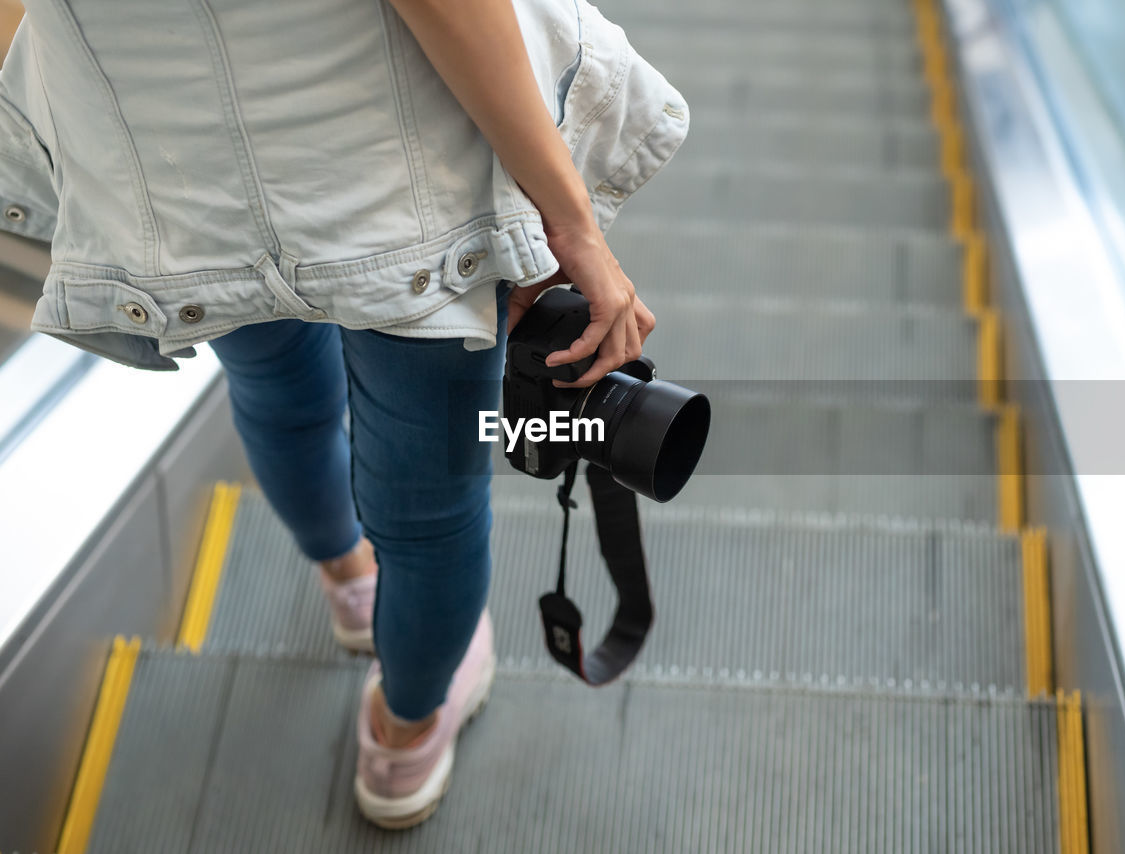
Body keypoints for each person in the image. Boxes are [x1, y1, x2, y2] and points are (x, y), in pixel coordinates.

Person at [0, 0, 686, 829]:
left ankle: (352, 588)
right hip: (394, 178)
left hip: (175, 184)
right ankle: (402, 739)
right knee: (430, 508)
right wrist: (571, 223)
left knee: (277, 400)